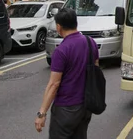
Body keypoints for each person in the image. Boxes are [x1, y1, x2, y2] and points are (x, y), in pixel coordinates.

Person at [35, 8, 99, 138]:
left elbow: (54, 84)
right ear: (76, 23)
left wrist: (42, 113)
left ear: (59, 27)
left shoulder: (61, 51)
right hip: (86, 106)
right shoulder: (90, 42)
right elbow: (96, 70)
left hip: (66, 108)